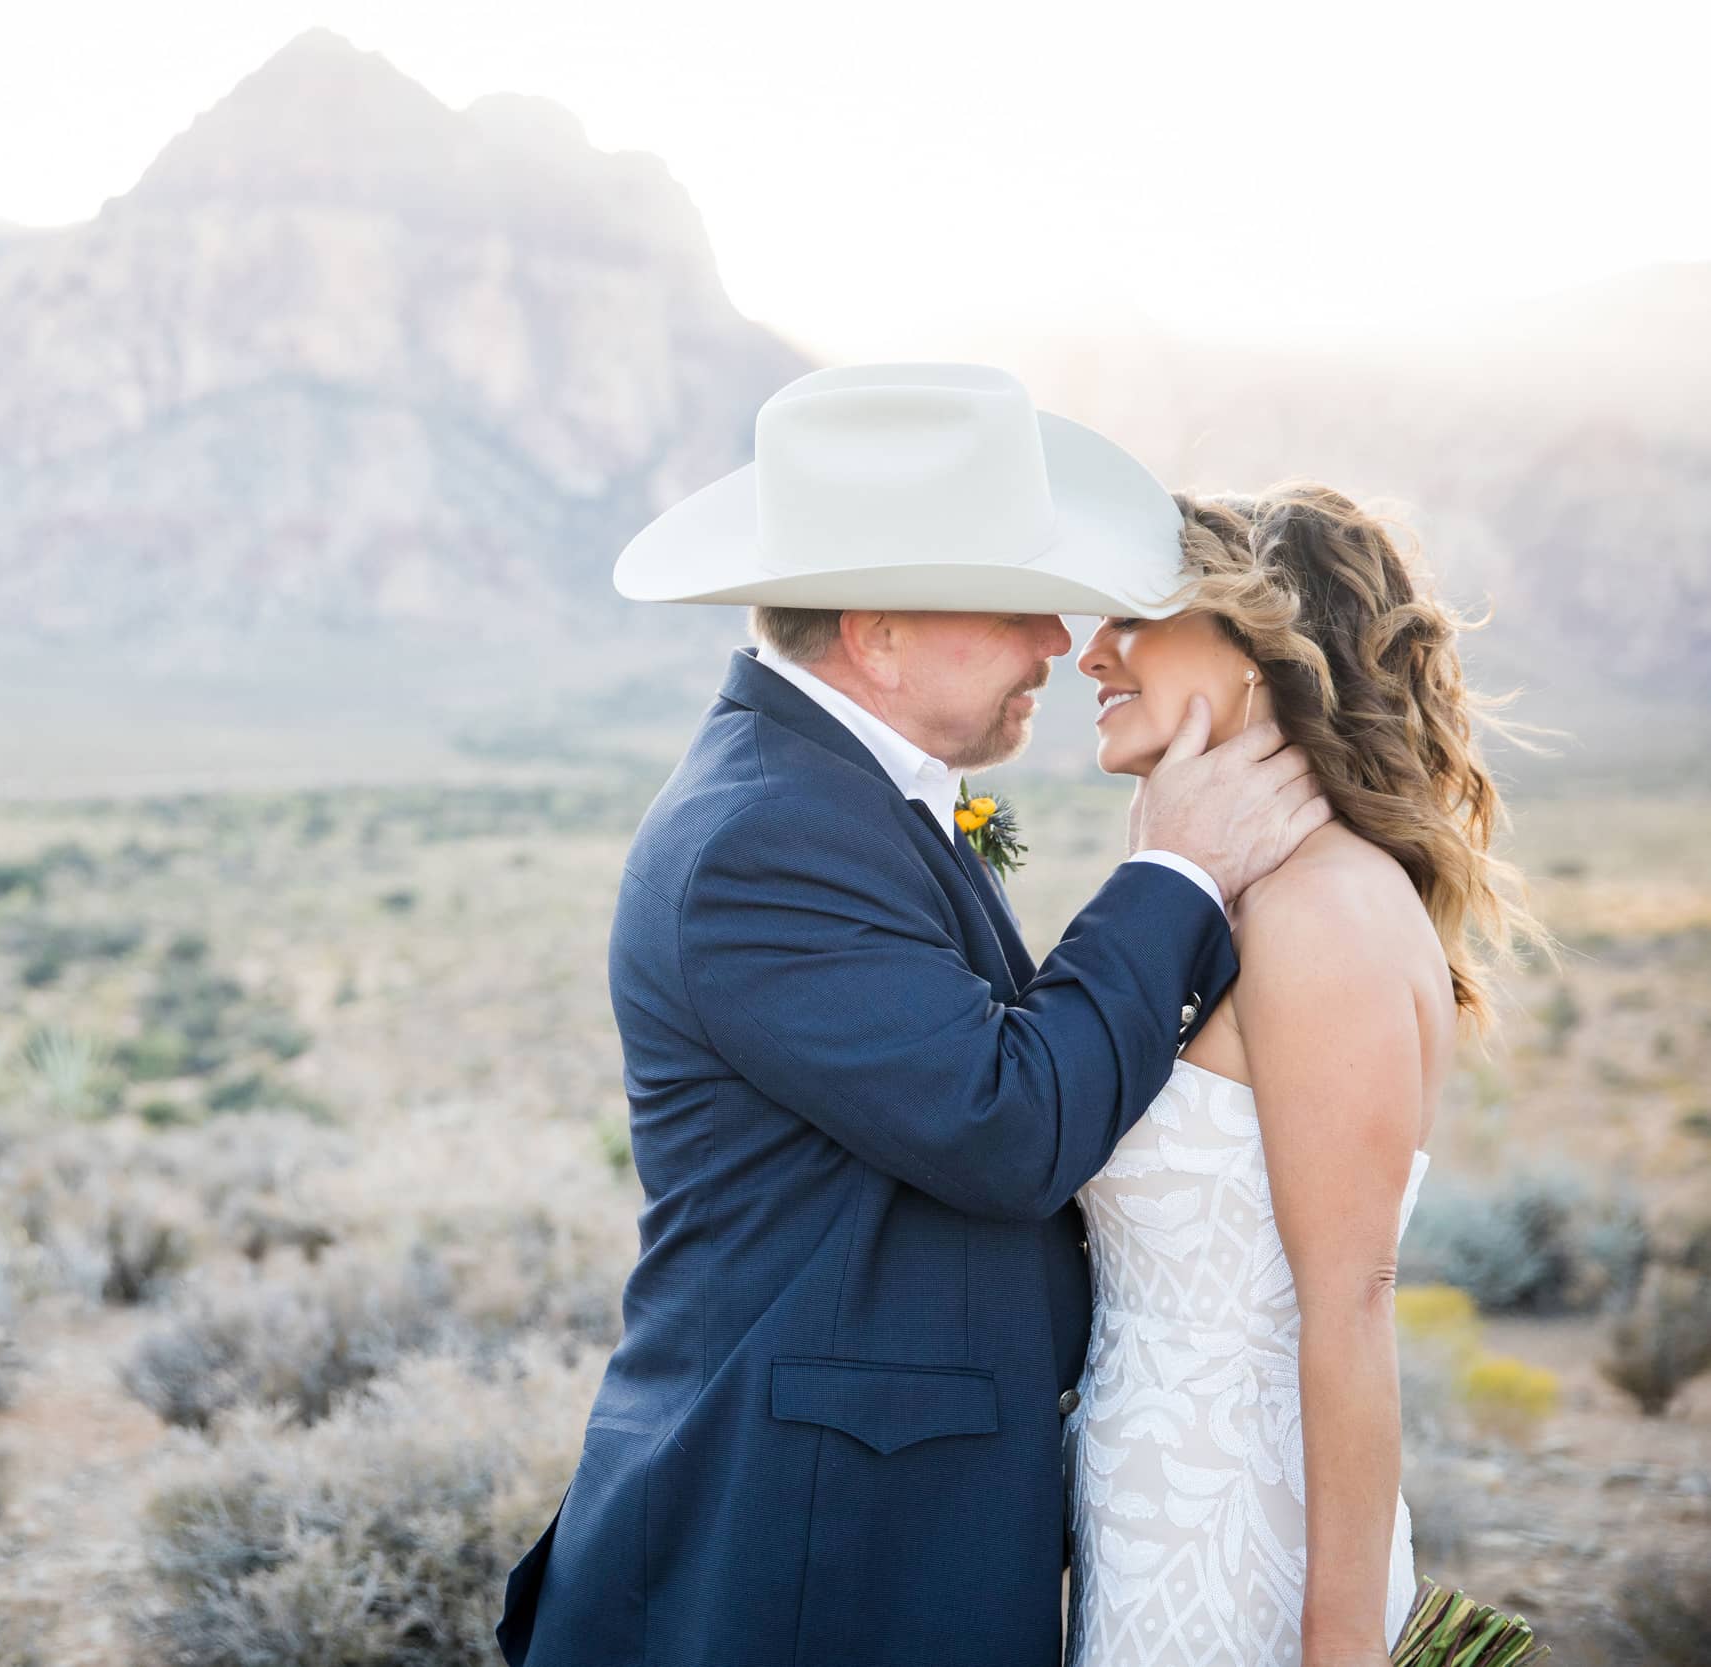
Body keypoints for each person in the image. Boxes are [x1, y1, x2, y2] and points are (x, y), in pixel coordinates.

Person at [497, 363, 1331, 1666]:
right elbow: (1006, 1123)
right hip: (799, 1558)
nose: (1058, 646)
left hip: (870, 1532)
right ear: (878, 628)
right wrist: (1173, 873)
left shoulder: (824, 797)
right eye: (1017, 610)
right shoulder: (764, 838)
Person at [1062, 483, 1542, 1667]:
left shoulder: (1321, 910)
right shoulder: (1241, 895)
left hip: (1245, 1561)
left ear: (1257, 654)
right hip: (1149, 1528)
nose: (1090, 655)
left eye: (1135, 619)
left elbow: (1351, 1303)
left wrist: (1336, 1648)